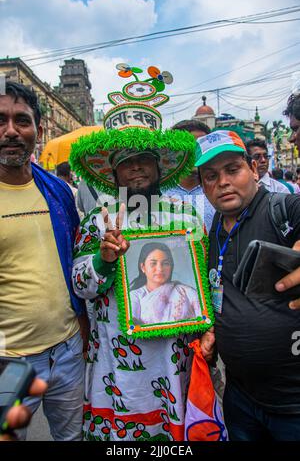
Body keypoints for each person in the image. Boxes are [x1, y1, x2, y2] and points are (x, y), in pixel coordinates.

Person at [70, 63, 213, 441]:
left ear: (159, 167)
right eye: (126, 163)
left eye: (144, 161)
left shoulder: (185, 215)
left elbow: (204, 282)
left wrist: (210, 326)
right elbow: (81, 285)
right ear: (113, 174)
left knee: (176, 437)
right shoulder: (96, 221)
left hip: (174, 355)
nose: (136, 169)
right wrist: (104, 258)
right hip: (115, 360)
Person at [195, 129, 300, 441]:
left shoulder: (282, 208)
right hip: (239, 399)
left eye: (232, 170)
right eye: (211, 176)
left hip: (293, 406)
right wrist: (212, 328)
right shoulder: (213, 227)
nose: (223, 182)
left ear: (254, 170)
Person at [0, 81, 88, 441]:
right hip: (12, 364)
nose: (10, 131)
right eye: (0, 120)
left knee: (72, 437)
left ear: (37, 129)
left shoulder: (58, 190)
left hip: (67, 353)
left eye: (22, 120)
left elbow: (77, 260)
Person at [130, 243, 200, 324]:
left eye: (165, 263)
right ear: (143, 267)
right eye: (153, 263)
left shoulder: (187, 292)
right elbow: (133, 326)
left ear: (171, 266)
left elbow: (203, 320)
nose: (160, 269)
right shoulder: (135, 296)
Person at [164, 119, 215, 231]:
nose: (196, 152)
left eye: (201, 146)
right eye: (189, 146)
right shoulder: (157, 193)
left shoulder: (220, 190)